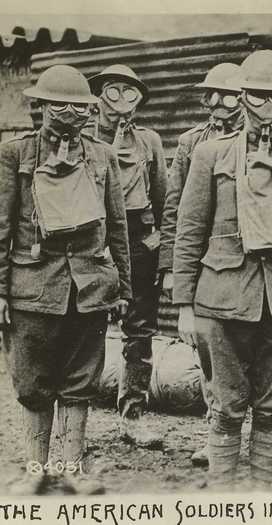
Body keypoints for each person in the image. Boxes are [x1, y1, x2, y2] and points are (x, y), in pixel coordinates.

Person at [173, 49, 272, 488]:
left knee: (271, 407)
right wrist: (185, 305)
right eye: (258, 97)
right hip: (222, 301)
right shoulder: (210, 156)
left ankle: (260, 497)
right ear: (242, 98)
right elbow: (189, 231)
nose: (268, 108)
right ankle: (224, 498)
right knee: (226, 407)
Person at [0, 65, 131, 494]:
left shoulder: (103, 156)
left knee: (81, 381)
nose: (70, 113)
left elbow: (117, 228)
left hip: (91, 288)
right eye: (60, 105)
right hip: (33, 289)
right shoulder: (15, 154)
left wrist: (124, 290)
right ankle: (37, 474)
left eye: (79, 106)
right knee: (33, 383)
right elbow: (2, 229)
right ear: (40, 106)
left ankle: (73, 472)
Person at [158, 62, 245, 467]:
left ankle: (259, 439)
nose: (217, 106)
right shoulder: (191, 143)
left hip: (252, 262)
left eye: (227, 97)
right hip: (208, 263)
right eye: (210, 96)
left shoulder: (266, 139)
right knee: (210, 351)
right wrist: (172, 270)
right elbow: (175, 210)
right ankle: (218, 437)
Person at [86, 65, 167, 450]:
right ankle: (75, 419)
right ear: (98, 96)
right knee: (85, 329)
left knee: (139, 333)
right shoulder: (82, 139)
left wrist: (162, 254)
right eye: (112, 92)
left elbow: (165, 202)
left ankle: (132, 415)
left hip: (139, 243)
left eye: (130, 94)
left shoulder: (149, 142)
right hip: (93, 241)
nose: (120, 102)